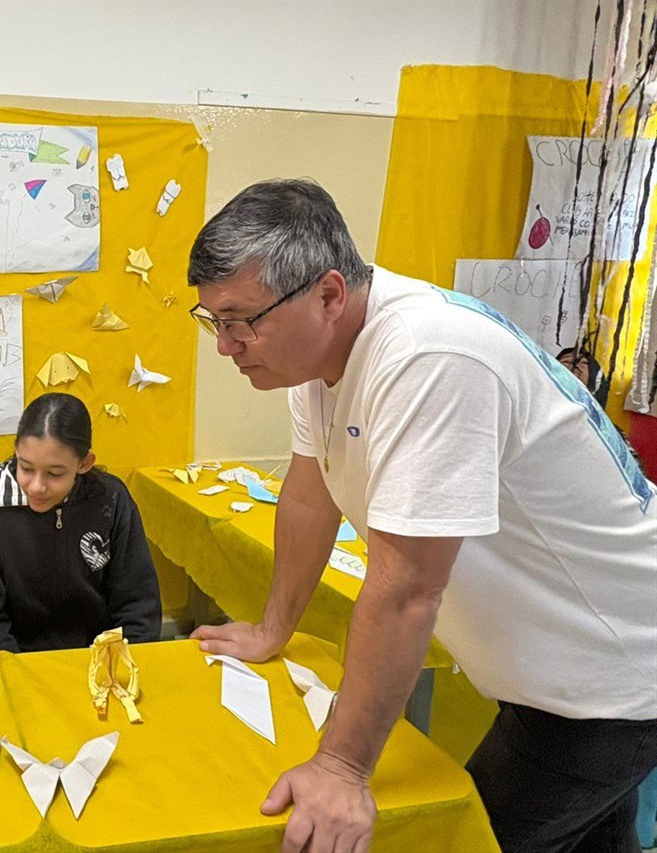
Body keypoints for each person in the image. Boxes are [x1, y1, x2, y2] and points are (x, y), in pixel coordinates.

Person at [185, 178, 657, 853]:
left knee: (461, 837)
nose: (227, 344)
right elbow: (309, 493)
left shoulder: (427, 356)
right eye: (214, 321)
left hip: (611, 672)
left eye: (240, 320)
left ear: (327, 294)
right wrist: (270, 626)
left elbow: (408, 585)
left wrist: (342, 767)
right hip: (553, 668)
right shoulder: (316, 357)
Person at [0, 392, 161, 655]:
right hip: (19, 661)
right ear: (16, 452)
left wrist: (121, 661)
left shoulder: (112, 500)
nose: (36, 486)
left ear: (84, 463)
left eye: (55, 473)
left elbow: (138, 604)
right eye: (25, 468)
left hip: (98, 659)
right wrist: (15, 674)